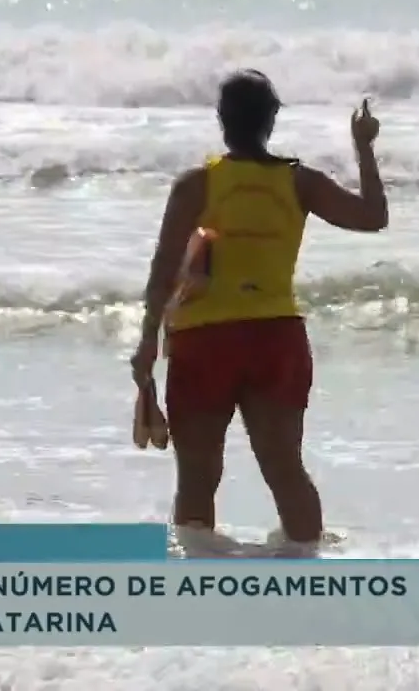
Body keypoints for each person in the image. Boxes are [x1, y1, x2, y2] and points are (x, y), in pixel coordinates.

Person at [129, 70, 389, 543]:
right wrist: (364, 145)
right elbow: (373, 218)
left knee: (197, 479)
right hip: (276, 338)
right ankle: (308, 584)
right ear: (271, 121)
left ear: (221, 120)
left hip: (203, 340)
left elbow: (165, 267)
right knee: (286, 471)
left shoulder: (196, 186)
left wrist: (148, 337)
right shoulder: (299, 183)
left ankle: (197, 590)